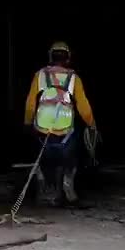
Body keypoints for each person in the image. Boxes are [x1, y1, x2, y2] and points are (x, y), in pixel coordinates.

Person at [23, 42, 96, 206]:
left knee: (40, 158)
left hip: (42, 131)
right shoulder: (74, 78)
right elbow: (83, 107)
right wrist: (91, 124)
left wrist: (27, 123)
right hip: (66, 133)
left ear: (50, 57)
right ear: (68, 59)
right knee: (72, 158)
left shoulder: (39, 75)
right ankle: (68, 185)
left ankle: (43, 185)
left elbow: (30, 104)